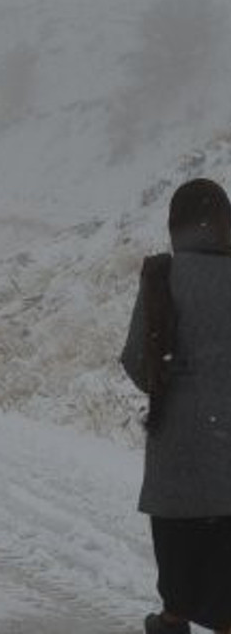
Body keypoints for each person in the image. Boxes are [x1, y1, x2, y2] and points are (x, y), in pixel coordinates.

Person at [121, 177, 231, 634]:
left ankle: (171, 623)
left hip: (175, 469)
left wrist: (175, 381)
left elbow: (136, 362)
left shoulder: (162, 277)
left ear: (175, 224)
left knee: (177, 592)